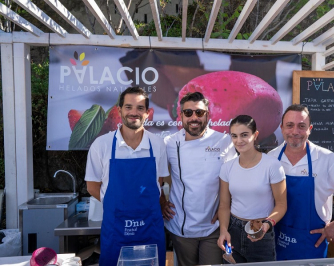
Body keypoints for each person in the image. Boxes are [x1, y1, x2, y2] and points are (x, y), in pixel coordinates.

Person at [268, 104, 334, 260]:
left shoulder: (327, 159)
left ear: (310, 128)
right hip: (276, 238)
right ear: (281, 128)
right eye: (289, 125)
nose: (295, 131)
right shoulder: (271, 158)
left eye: (302, 126)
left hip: (311, 242)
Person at [85, 87, 169, 266]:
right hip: (116, 230)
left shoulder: (157, 144)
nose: (134, 113)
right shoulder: (101, 145)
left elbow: (158, 184)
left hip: (150, 229)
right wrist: (118, 206)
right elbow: (92, 187)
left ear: (148, 113)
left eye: (140, 108)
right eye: (128, 107)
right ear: (119, 110)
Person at [162, 92, 237, 266]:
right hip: (181, 227)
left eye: (199, 113)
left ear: (208, 115)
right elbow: (155, 178)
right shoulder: (169, 143)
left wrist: (227, 207)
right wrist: (161, 202)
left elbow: (234, 179)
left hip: (214, 226)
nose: (194, 117)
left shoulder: (224, 141)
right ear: (180, 116)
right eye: (188, 113)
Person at [217, 115, 287, 263]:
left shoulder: (272, 165)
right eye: (234, 136)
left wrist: (266, 225)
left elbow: (281, 205)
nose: (239, 140)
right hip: (233, 230)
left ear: (255, 135)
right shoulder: (227, 167)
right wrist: (223, 230)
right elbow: (224, 205)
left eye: (244, 135)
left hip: (261, 230)